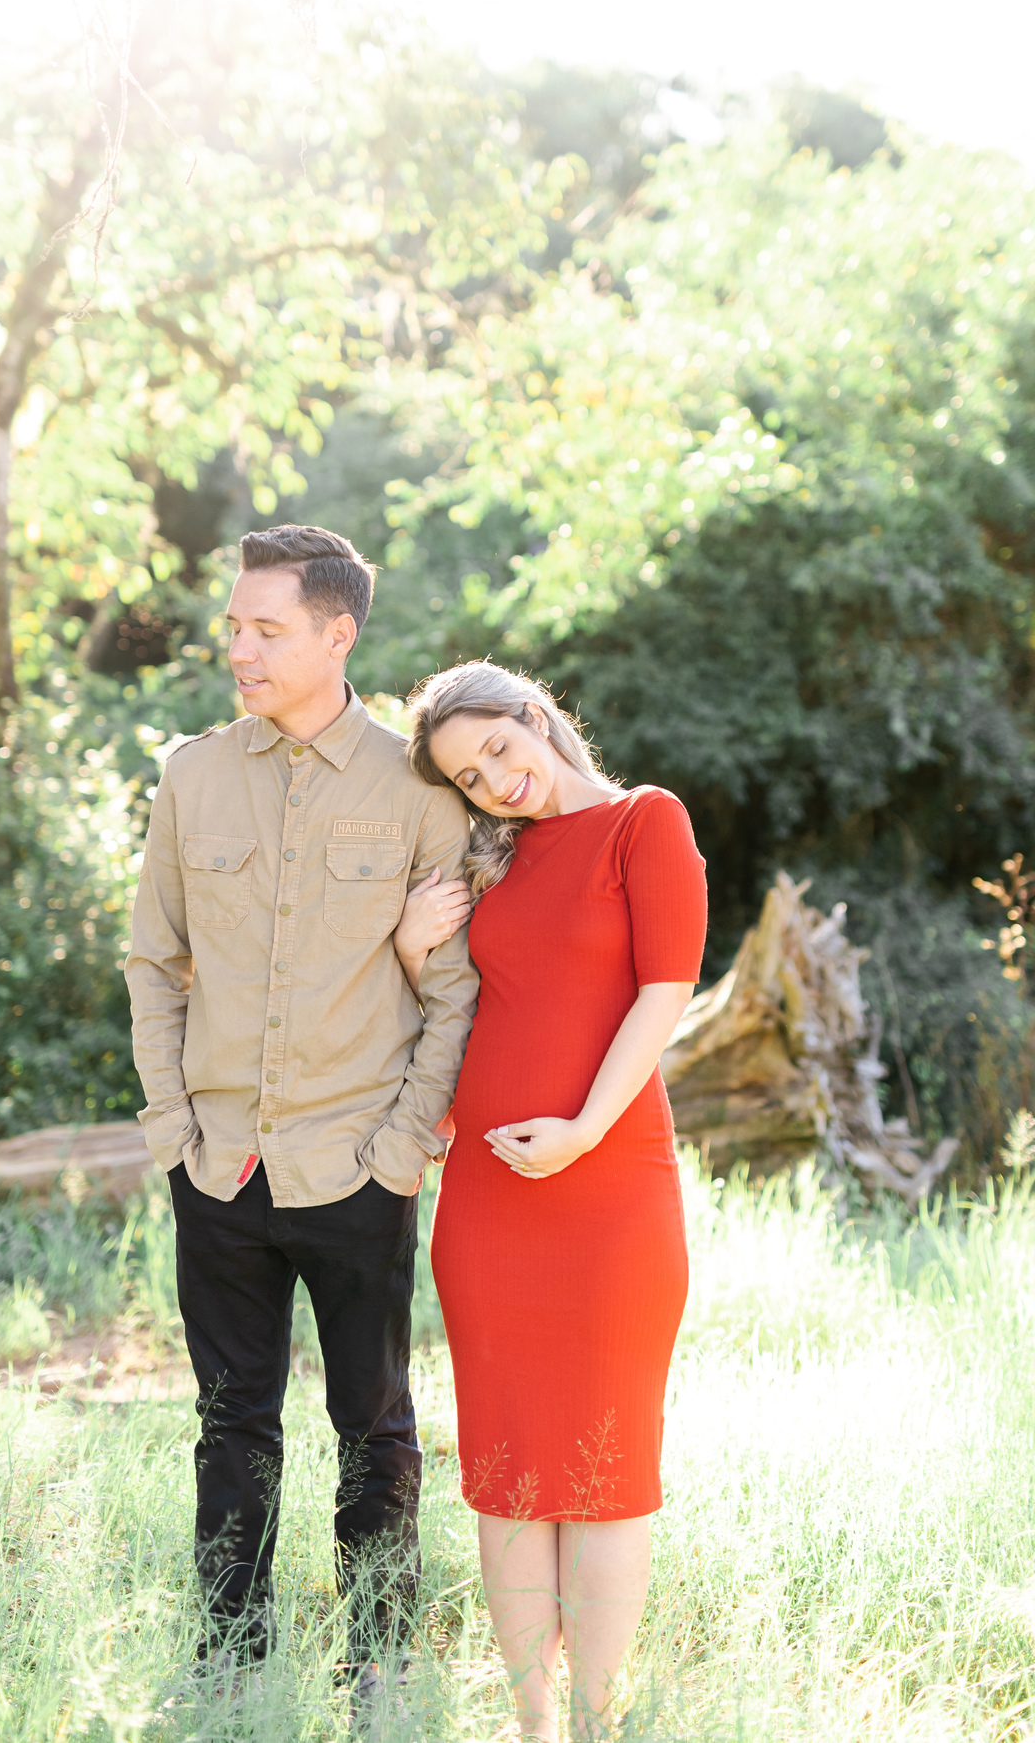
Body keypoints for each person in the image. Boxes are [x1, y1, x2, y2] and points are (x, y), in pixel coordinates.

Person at [124, 526, 478, 1702]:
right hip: (219, 1165)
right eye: (234, 626)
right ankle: (232, 1667)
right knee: (232, 1423)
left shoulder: (417, 784)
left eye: (267, 629)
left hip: (359, 1166)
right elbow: (155, 963)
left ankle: (379, 1663)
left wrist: (404, 1145)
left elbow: (454, 988)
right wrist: (172, 1129)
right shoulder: (192, 776)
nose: (241, 648)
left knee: (374, 1423)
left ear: (339, 635)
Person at [395, 661, 707, 1743]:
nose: (494, 782)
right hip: (490, 1205)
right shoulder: (492, 863)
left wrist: (581, 1129)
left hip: (612, 1194)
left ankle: (595, 1724)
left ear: (536, 716)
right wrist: (410, 950)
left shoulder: (643, 822)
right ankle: (531, 1723)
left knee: (607, 1467)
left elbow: (666, 990)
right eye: (469, 778)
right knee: (509, 1470)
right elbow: (463, 1012)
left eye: (497, 749)